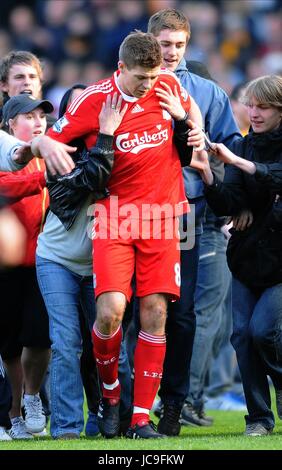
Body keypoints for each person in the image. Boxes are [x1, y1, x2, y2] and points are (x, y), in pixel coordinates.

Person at [47, 31, 204, 439]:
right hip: (115, 215)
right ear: (121, 69)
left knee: (156, 314)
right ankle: (111, 393)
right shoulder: (94, 99)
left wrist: (187, 123)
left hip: (164, 216)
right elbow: (51, 142)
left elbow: (195, 128)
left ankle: (138, 419)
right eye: (140, 78)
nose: (148, 86)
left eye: (153, 77)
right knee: (110, 312)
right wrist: (90, 141)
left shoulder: (169, 85)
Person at [147, 8, 241, 435]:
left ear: (188, 44)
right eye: (164, 44)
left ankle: (179, 401)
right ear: (151, 43)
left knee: (190, 316)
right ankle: (136, 400)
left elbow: (232, 149)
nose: (171, 53)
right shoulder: (128, 87)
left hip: (195, 212)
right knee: (140, 313)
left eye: (178, 45)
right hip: (142, 214)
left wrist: (227, 195)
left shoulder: (207, 92)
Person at [36, 90, 132, 439]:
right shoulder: (57, 159)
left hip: (100, 264)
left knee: (108, 342)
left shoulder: (117, 150)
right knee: (66, 342)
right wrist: (106, 135)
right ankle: (66, 429)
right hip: (57, 260)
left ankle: (115, 422)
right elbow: (92, 179)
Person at [195, 74, 282, 436]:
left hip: (279, 261)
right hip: (247, 257)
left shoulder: (242, 154)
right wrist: (208, 177)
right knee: (242, 337)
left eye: (263, 107)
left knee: (263, 332)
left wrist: (241, 166)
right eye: (251, 105)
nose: (254, 112)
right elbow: (231, 203)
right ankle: (259, 418)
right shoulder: (244, 148)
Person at [0, 94, 55, 439]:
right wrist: (44, 177)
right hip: (6, 262)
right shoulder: (11, 157)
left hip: (43, 260)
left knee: (39, 334)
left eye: (41, 116)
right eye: (28, 117)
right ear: (9, 125)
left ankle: (32, 399)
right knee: (7, 343)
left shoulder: (46, 156)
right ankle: (13, 413)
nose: (37, 122)